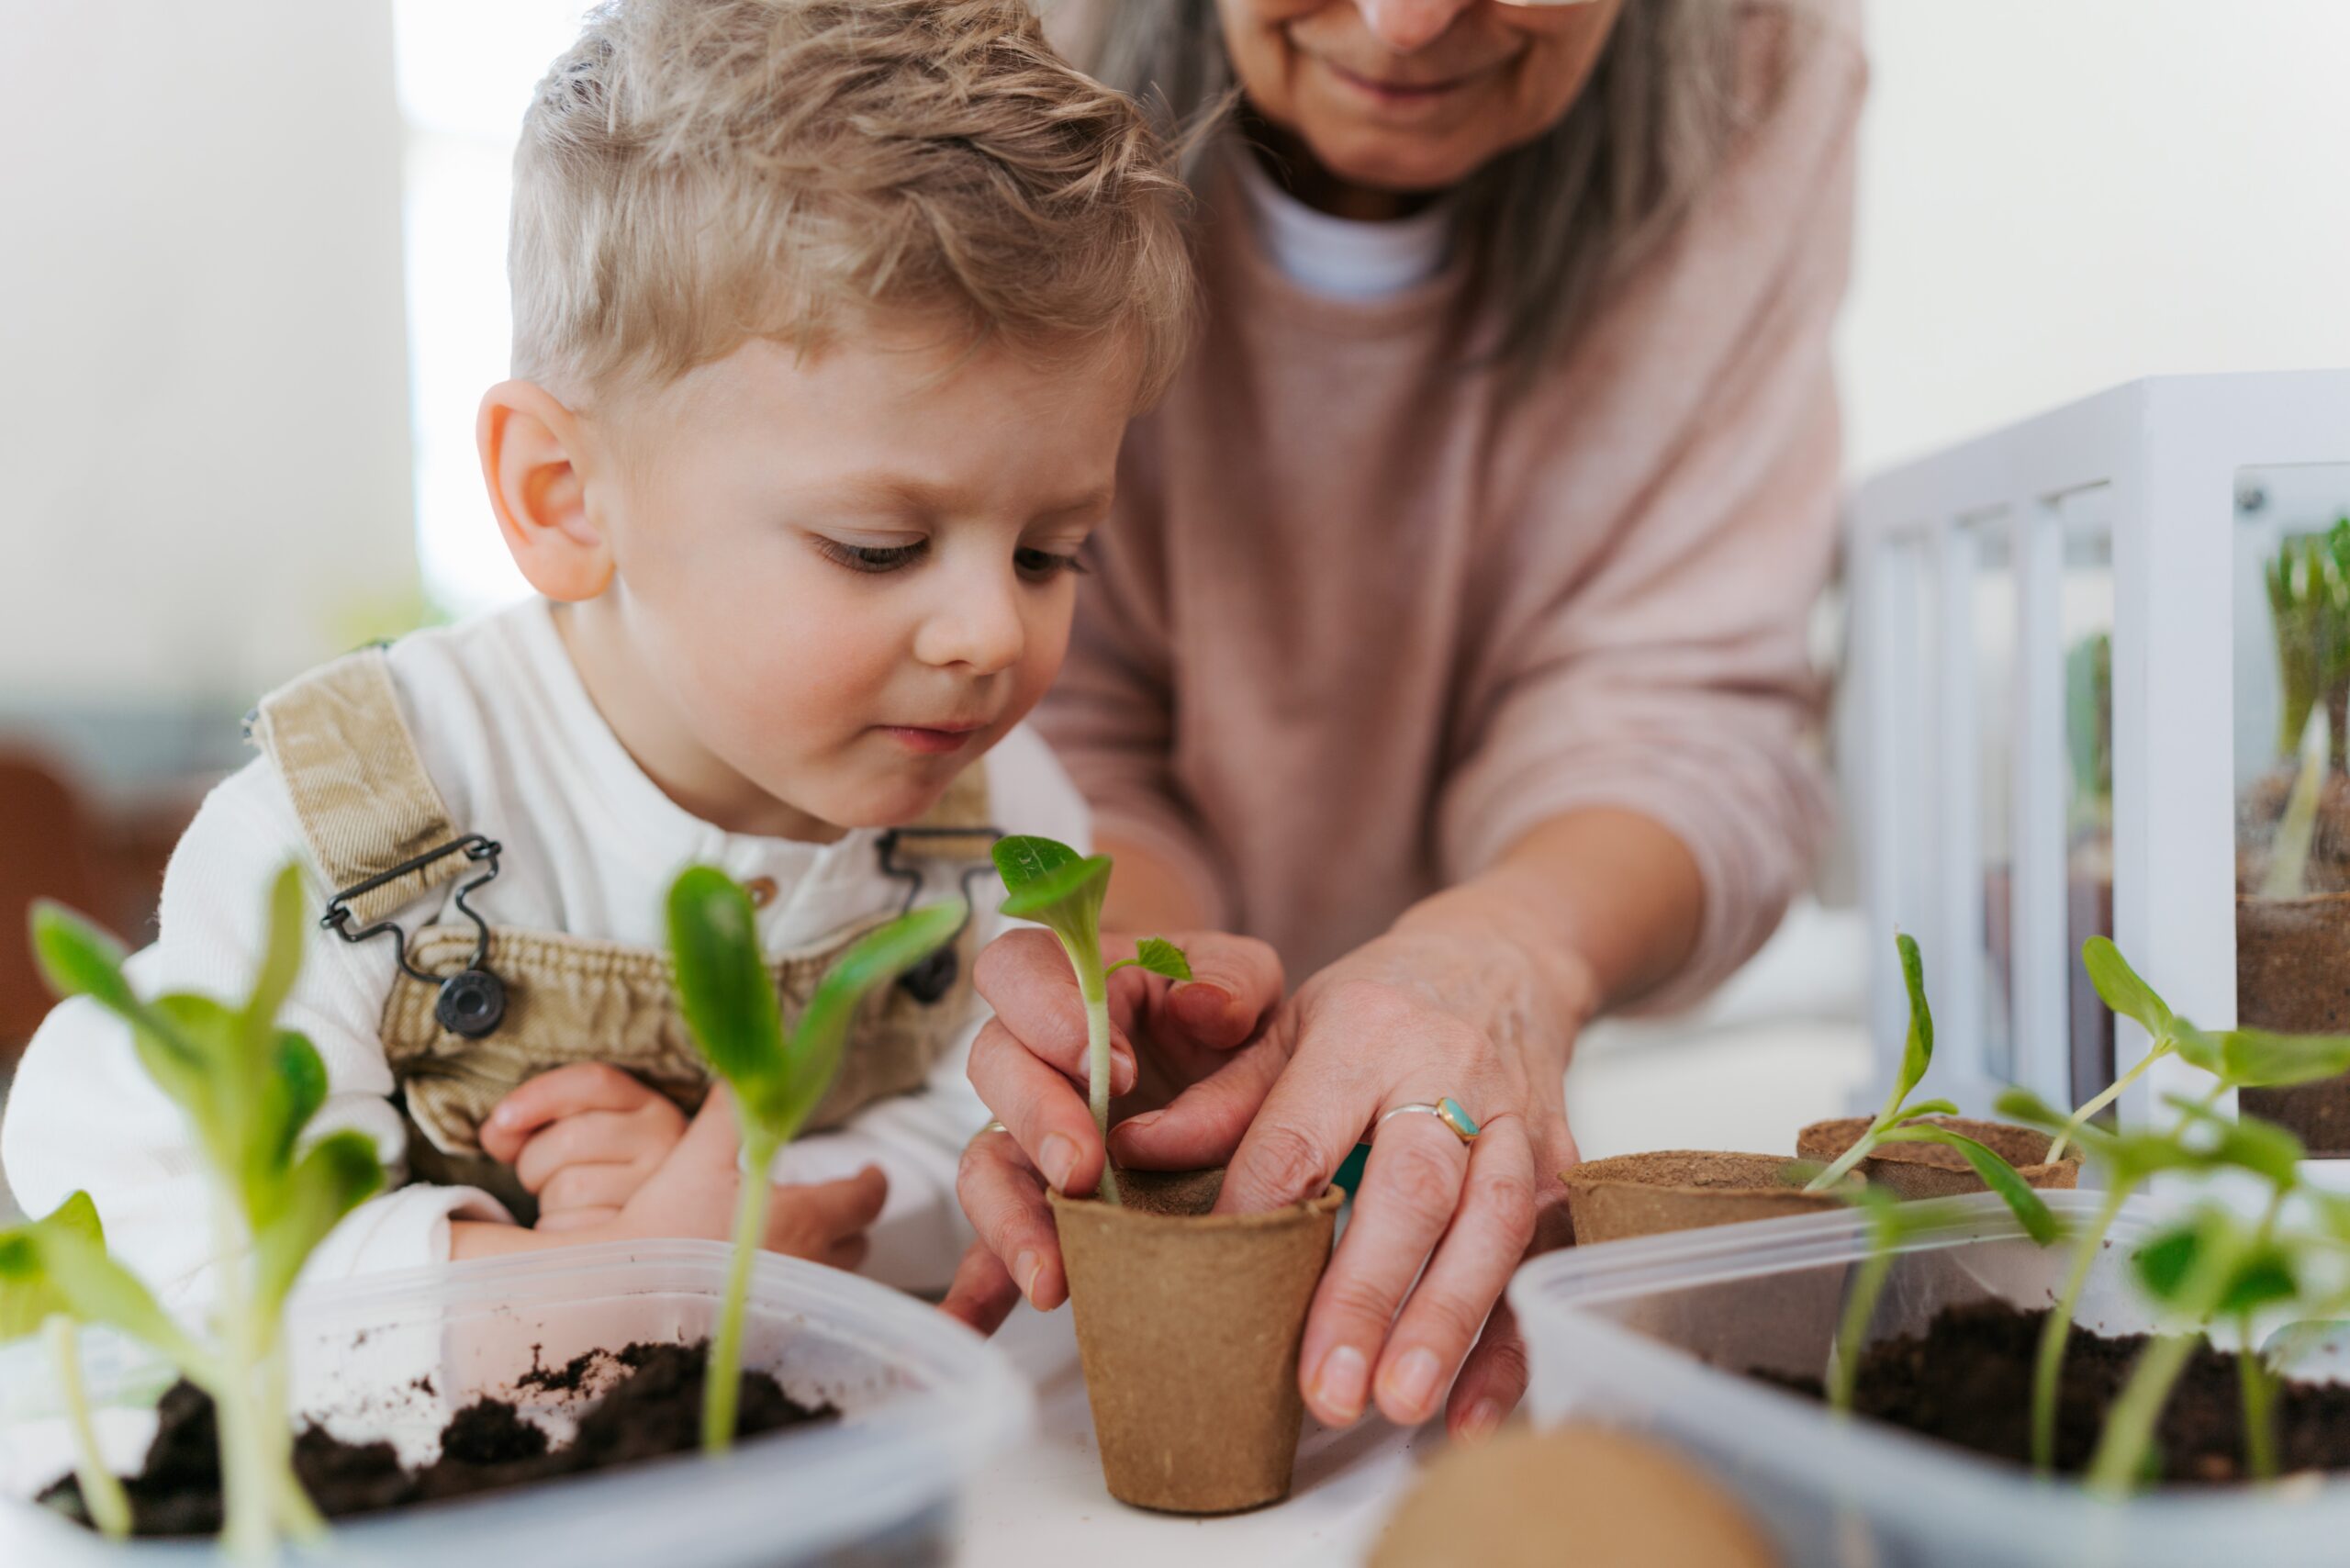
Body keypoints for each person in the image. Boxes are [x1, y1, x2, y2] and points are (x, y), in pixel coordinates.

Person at [1, 0, 1191, 1310]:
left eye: (1049, 553)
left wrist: (751, 1208)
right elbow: (123, 1175)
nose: (993, 635)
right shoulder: (365, 814)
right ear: (564, 495)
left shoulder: (1002, 819)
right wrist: (560, 1280)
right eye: (876, 547)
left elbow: (988, 1142)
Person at [947, 0, 1865, 1442]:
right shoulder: (986, 43)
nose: (1407, 22)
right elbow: (1050, 699)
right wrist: (1126, 968)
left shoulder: (1764, 63)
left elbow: (1681, 707)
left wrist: (1504, 955)